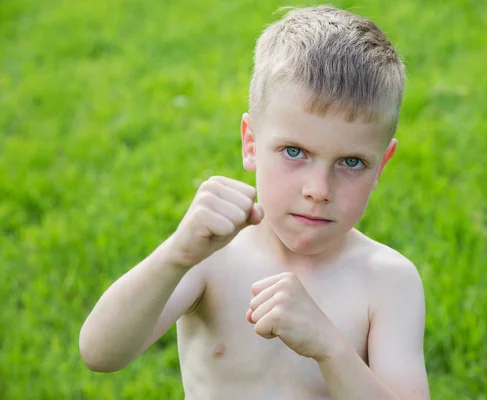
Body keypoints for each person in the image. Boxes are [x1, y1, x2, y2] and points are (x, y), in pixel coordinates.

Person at [79, 5, 430, 399]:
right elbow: (99, 353)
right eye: (294, 151)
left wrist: (330, 349)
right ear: (250, 143)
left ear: (381, 165)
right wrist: (175, 255)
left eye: (351, 162)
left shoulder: (387, 281)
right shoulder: (213, 256)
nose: (319, 189)